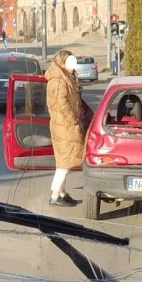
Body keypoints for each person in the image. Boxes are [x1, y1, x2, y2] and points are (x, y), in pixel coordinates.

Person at [44, 50, 84, 207]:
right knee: (65, 163)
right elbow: (63, 104)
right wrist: (73, 120)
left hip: (64, 125)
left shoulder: (64, 78)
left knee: (64, 161)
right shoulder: (59, 81)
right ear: (62, 63)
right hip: (64, 126)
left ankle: (61, 193)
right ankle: (55, 195)